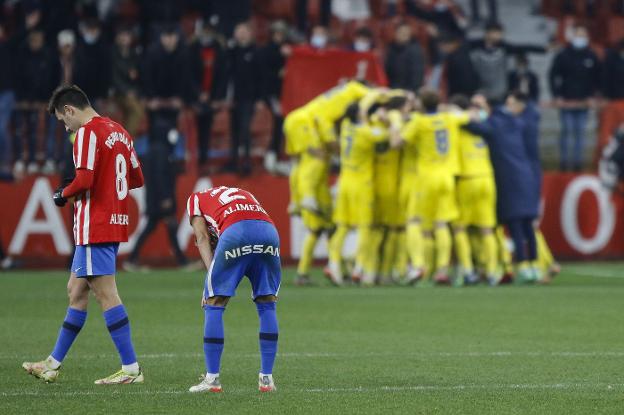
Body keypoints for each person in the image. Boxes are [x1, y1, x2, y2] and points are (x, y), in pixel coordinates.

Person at [22, 84, 145, 384]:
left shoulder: (88, 132)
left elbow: (85, 179)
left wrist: (63, 193)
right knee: (76, 291)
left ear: (70, 110)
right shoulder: (120, 132)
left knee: (105, 293)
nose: (66, 128)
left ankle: (131, 369)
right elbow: (137, 178)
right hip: (113, 223)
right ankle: (51, 364)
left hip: (95, 226)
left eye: (64, 121)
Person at [186, 186, 280, 393]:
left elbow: (202, 237)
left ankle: (212, 379)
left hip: (236, 232)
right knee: (267, 302)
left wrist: (210, 282)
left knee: (214, 303)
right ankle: (267, 379)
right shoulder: (245, 192)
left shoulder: (195, 198)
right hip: (269, 232)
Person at [395, 89, 473, 284]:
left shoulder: (418, 122)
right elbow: (475, 115)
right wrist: (450, 108)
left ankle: (419, 265)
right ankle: (442, 270)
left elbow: (397, 143)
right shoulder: (449, 118)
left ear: (421, 104)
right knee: (441, 223)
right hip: (447, 177)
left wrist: (396, 123)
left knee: (413, 221)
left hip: (426, 177)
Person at [467, 92, 540, 282]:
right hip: (526, 177)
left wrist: (463, 115)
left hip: (508, 179)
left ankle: (522, 267)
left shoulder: (495, 123)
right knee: (528, 227)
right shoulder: (517, 123)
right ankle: (533, 266)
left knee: (515, 225)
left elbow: (472, 126)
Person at [452, 94, 498, 285]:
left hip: (467, 179)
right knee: (487, 230)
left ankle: (468, 271)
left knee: (459, 228)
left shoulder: (455, 125)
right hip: (487, 179)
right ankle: (492, 272)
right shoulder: (485, 126)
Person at [549, 24, 601, 172]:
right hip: (566, 101)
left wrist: (593, 96)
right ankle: (564, 164)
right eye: (578, 35)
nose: (580, 38)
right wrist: (557, 95)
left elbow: (598, 78)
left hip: (584, 102)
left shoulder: (591, 55)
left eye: (583, 35)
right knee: (567, 131)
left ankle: (578, 164)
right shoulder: (563, 55)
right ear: (572, 36)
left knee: (580, 133)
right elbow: (553, 75)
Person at [217, 22, 262, 176]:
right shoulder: (231, 51)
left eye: (244, 31)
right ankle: (234, 161)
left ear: (250, 33)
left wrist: (259, 98)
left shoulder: (255, 52)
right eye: (238, 31)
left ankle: (247, 161)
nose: (241, 34)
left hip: (248, 98)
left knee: (245, 130)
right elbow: (225, 74)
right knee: (234, 130)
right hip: (234, 98)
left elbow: (259, 77)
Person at [469, 21, 546, 104]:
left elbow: (522, 47)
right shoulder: (474, 47)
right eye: (498, 33)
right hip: (481, 91)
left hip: (499, 92)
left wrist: (543, 49)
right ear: (489, 33)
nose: (500, 36)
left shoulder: (503, 47)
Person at [384, 22, 426, 93]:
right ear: (396, 33)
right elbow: (387, 71)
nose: (403, 35)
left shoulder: (415, 50)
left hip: (409, 91)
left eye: (406, 33)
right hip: (392, 89)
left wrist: (412, 90)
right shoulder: (391, 49)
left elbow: (417, 74)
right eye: (401, 32)